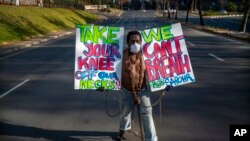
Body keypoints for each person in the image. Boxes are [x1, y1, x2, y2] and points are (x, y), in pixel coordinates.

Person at [117, 31, 158, 141]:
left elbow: (158, 71)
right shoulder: (120, 56)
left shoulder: (148, 56)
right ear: (128, 43)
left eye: (138, 41)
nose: (135, 43)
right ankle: (123, 129)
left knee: (147, 113)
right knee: (125, 114)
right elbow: (110, 72)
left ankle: (151, 139)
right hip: (126, 90)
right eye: (132, 41)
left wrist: (164, 84)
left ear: (141, 42)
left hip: (142, 90)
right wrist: (103, 85)